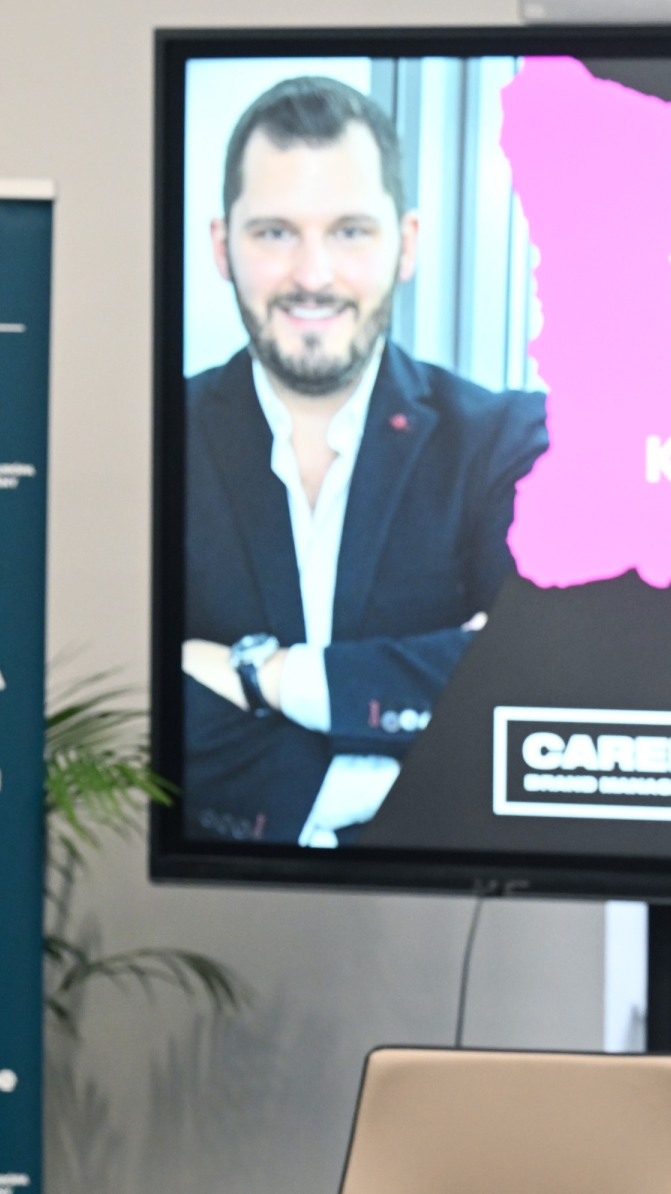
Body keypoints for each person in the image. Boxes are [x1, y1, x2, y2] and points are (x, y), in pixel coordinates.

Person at [181, 76, 549, 847]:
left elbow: (530, 677)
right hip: (208, 901)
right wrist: (376, 783)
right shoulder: (159, 439)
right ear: (221, 246)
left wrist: (263, 676)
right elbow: (130, 703)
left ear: (406, 243)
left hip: (443, 906)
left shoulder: (502, 441)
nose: (313, 275)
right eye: (275, 233)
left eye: (350, 231)